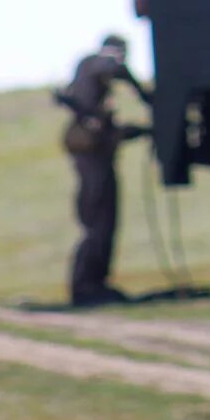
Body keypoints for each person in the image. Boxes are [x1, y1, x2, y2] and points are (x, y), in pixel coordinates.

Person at [56, 34, 152, 307]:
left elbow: (112, 132)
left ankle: (95, 283)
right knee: (97, 220)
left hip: (98, 156)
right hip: (92, 160)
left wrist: (141, 130)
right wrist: (143, 94)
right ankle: (86, 286)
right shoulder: (94, 65)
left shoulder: (93, 91)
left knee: (104, 220)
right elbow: (110, 66)